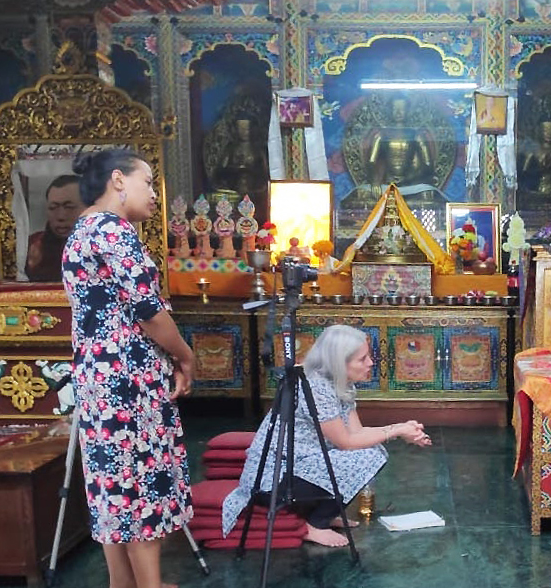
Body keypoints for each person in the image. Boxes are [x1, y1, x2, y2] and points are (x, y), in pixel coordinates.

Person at [61, 149, 194, 588]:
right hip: (128, 377)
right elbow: (148, 311)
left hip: (97, 374)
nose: (155, 194)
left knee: (113, 485)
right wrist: (184, 354)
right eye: (148, 182)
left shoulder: (81, 230)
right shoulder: (114, 231)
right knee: (140, 483)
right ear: (118, 180)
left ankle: (124, 583)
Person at [221, 324, 432, 547]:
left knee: (373, 450)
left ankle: (326, 512)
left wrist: (401, 428)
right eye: (362, 359)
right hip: (274, 480)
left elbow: (356, 432)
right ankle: (314, 524)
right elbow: (347, 442)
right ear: (338, 363)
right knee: (369, 456)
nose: (370, 363)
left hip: (302, 465)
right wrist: (396, 431)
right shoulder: (316, 387)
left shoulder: (340, 383)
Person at [367, 96, 436, 190]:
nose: (398, 113)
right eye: (395, 109)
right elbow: (371, 161)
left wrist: (408, 179)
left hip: (412, 183)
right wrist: (375, 182)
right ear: (389, 111)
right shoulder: (382, 135)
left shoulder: (416, 135)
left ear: (408, 111)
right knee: (364, 192)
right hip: (387, 183)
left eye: (402, 109)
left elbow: (427, 164)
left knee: (426, 192)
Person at [25, 174, 84, 281]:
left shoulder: (103, 243)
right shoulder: (32, 246)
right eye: (53, 208)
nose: (61, 216)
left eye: (69, 207)